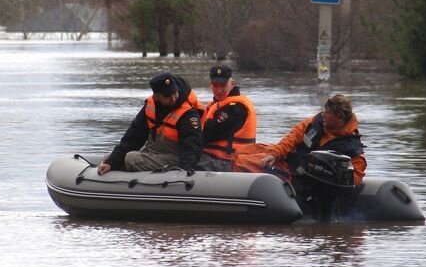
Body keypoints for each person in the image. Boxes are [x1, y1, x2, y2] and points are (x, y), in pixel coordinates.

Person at [234, 94, 367, 185]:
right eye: (324, 111)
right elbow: (292, 137)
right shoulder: (315, 122)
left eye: (328, 113)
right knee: (240, 152)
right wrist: (275, 154)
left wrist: (336, 173)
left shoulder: (352, 148)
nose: (323, 115)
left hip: (297, 175)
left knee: (242, 162)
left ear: (339, 117)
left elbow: (356, 179)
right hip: (290, 158)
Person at [97, 72, 203, 174]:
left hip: (175, 156)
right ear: (156, 97)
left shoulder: (188, 113)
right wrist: (111, 162)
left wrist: (185, 170)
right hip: (154, 153)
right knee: (108, 158)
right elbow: (132, 138)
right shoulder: (150, 107)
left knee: (132, 159)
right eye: (167, 96)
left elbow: (192, 144)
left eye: (174, 92)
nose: (173, 98)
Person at [197, 64, 257, 172]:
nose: (219, 90)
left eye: (223, 85)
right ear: (210, 85)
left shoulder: (236, 109)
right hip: (213, 159)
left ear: (232, 84)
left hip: (228, 162)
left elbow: (208, 133)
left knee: (179, 161)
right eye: (215, 85)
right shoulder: (216, 105)